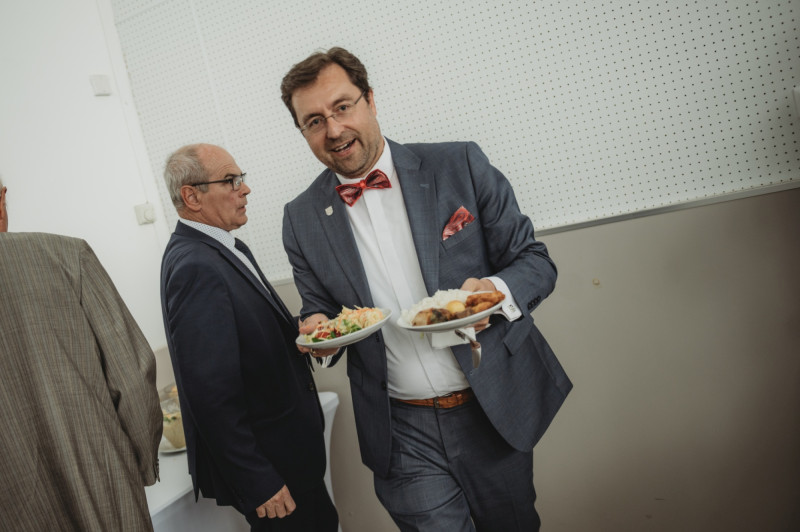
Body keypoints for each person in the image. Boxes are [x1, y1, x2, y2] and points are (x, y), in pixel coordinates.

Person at [280, 47, 573, 531]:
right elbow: (320, 309)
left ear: (371, 100)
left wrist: (491, 292)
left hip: (489, 406)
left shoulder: (459, 163)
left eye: (342, 107)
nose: (332, 129)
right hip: (400, 430)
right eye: (313, 121)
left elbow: (534, 261)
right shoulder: (300, 217)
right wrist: (316, 328)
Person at [159, 143, 338, 532]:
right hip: (272, 472)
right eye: (230, 180)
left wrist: (306, 331)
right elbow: (210, 393)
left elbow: (249, 338)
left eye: (241, 178)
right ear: (191, 196)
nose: (245, 189)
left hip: (291, 459)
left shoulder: (228, 247)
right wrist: (258, 480)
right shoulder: (195, 265)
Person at [0, 231, 162, 531]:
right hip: (104, 486)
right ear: (1, 207)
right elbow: (133, 379)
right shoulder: (67, 253)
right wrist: (141, 466)